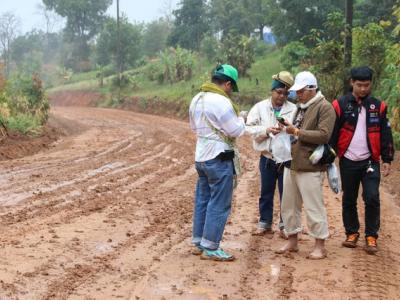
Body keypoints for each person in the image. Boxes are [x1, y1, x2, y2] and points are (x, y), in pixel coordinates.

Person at [330, 66, 394, 254]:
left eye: (367, 85)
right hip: (348, 160)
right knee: (349, 198)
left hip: (370, 161)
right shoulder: (340, 105)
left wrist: (387, 158)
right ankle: (352, 233)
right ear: (352, 83)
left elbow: (385, 134)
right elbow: (333, 133)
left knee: (372, 197)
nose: (363, 89)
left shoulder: (378, 106)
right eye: (359, 85)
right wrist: (329, 156)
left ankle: (371, 236)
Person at [276, 71, 336, 259]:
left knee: (313, 206)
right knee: (289, 205)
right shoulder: (300, 107)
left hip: (310, 164)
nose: (297, 95)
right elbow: (295, 131)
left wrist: (297, 132)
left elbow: (324, 135)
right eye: (297, 92)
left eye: (301, 91)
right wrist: (287, 128)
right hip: (291, 162)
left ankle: (320, 244)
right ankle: (292, 240)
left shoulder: (324, 107)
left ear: (312, 89)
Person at [189, 64, 246, 261]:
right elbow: (235, 131)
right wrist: (241, 119)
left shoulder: (197, 98)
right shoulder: (221, 101)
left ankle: (198, 242)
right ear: (227, 84)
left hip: (201, 157)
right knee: (219, 202)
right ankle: (211, 247)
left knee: (203, 199)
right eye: (231, 88)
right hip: (219, 157)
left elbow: (194, 128)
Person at [245, 71, 296, 238]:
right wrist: (266, 131)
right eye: (278, 92)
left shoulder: (293, 109)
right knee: (266, 192)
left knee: (286, 193)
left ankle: (285, 225)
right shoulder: (259, 108)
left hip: (286, 158)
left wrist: (288, 130)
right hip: (267, 157)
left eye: (285, 93)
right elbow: (249, 128)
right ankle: (265, 223)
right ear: (272, 91)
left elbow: (298, 132)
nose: (282, 96)